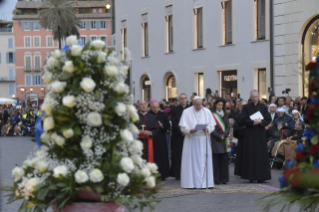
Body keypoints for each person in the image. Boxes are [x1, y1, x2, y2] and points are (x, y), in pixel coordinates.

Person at [179, 96, 216, 188]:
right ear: (193, 103)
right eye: (197, 104)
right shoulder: (186, 112)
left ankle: (206, 183)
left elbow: (212, 126)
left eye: (200, 104)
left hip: (204, 139)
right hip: (192, 140)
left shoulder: (206, 112)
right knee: (192, 162)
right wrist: (190, 130)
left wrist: (207, 129)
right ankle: (191, 183)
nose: (199, 106)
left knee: (205, 161)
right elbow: (183, 127)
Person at [240, 90, 271, 183]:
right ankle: (251, 176)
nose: (255, 98)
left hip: (260, 134)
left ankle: (261, 176)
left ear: (259, 97)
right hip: (250, 134)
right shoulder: (246, 107)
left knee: (260, 155)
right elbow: (243, 119)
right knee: (250, 154)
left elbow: (268, 119)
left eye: (256, 97)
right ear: (250, 97)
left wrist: (261, 122)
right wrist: (253, 122)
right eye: (253, 97)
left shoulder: (263, 107)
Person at [149, 101, 170, 181]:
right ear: (151, 107)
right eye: (154, 107)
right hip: (152, 138)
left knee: (162, 156)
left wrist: (162, 125)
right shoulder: (149, 115)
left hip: (161, 138)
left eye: (157, 107)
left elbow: (167, 125)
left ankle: (162, 174)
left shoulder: (163, 114)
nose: (155, 109)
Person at [211, 98, 230, 184]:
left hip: (224, 140)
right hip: (216, 140)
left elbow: (228, 127)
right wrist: (219, 136)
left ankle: (224, 178)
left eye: (222, 105)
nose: (220, 106)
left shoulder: (225, 116)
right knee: (216, 161)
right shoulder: (212, 115)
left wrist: (224, 135)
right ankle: (216, 179)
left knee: (224, 160)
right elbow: (211, 128)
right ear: (215, 105)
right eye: (219, 104)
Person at [171, 93, 188, 180]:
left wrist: (188, 131)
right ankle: (178, 174)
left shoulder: (190, 109)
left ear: (187, 99)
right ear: (178, 100)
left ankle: (188, 172)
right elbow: (174, 123)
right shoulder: (174, 109)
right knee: (178, 154)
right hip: (178, 135)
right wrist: (181, 131)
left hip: (189, 135)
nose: (183, 100)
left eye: (184, 98)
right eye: (181, 98)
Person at [234, 100, 247, 177]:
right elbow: (236, 128)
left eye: (245, 106)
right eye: (241, 106)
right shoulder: (238, 116)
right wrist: (244, 127)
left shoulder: (251, 115)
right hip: (242, 137)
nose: (243, 107)